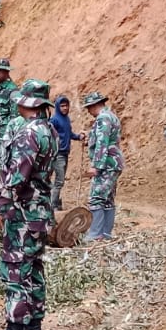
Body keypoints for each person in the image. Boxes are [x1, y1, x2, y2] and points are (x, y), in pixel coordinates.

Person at [0, 79, 59, 330]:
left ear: (28, 102)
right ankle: (34, 329)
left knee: (16, 271)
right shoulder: (50, 130)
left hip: (23, 213)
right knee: (34, 268)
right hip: (40, 212)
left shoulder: (29, 132)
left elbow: (17, 177)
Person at [81, 90, 123, 240]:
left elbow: (102, 142)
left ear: (94, 105)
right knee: (108, 199)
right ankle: (105, 233)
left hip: (106, 164)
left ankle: (95, 234)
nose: (88, 111)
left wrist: (96, 166)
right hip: (113, 163)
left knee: (97, 197)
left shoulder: (102, 118)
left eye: (88, 108)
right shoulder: (111, 116)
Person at [49, 95, 75, 209]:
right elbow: (48, 133)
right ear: (57, 107)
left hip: (65, 153)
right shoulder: (54, 120)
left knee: (60, 180)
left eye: (66, 106)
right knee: (59, 181)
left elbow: (69, 134)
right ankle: (53, 205)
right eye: (62, 106)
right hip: (57, 154)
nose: (65, 108)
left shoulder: (66, 119)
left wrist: (78, 137)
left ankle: (54, 201)